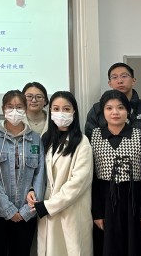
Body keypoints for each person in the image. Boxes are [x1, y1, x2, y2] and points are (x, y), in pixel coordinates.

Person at [90, 90, 141, 256]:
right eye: (109, 108)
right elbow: (91, 179)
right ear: (103, 112)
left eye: (120, 107)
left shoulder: (140, 135)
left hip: (135, 202)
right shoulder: (94, 136)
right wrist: (97, 212)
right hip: (106, 203)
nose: (115, 112)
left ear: (128, 111)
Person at [27, 91, 93, 256]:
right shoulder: (45, 139)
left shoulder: (82, 142)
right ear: (50, 111)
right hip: (46, 209)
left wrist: (49, 206)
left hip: (70, 212)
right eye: (56, 109)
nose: (61, 113)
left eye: (66, 109)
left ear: (74, 111)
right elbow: (38, 171)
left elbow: (78, 183)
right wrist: (32, 189)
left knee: (70, 250)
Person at [0, 90, 44, 256]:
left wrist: (26, 211)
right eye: (10, 107)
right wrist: (8, 210)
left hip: (25, 214)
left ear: (25, 109)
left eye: (19, 107)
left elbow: (40, 176)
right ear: (3, 109)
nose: (14, 111)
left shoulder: (35, 138)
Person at [85, 63, 141, 139]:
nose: (120, 81)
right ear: (110, 83)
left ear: (133, 80)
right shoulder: (97, 109)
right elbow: (90, 138)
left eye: (124, 76)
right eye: (114, 77)